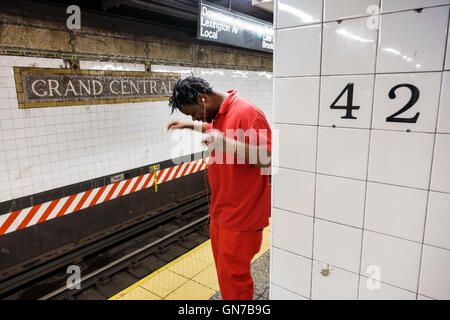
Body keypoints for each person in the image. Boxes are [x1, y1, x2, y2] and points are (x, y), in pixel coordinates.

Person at [167, 76, 271, 300]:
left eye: (193, 113)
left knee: (234, 280)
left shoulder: (248, 113)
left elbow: (268, 158)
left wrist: (226, 143)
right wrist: (189, 125)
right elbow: (212, 126)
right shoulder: (219, 113)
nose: (195, 117)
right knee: (225, 276)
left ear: (202, 99)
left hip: (242, 217)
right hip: (222, 214)